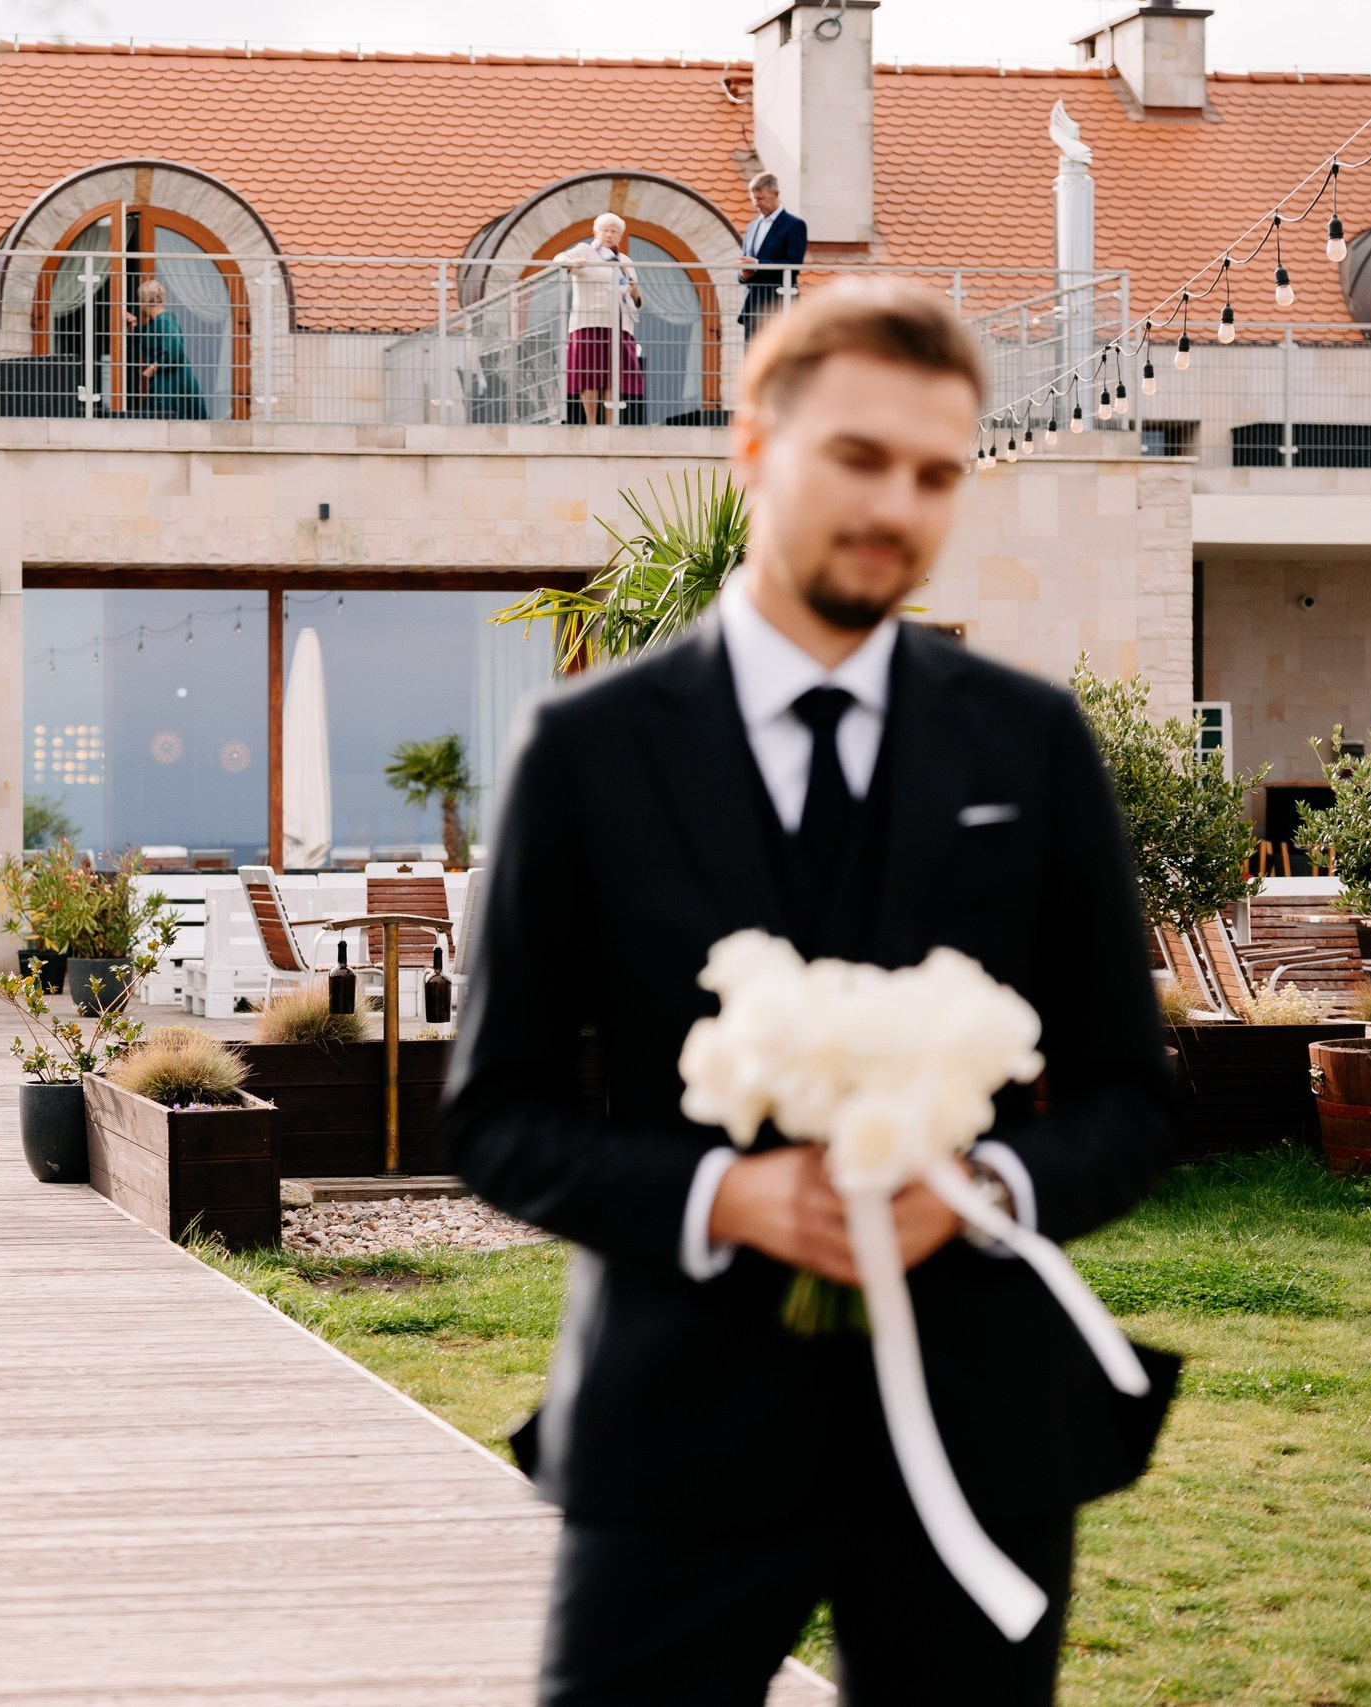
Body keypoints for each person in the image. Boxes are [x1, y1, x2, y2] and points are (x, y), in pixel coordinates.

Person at [445, 283, 1176, 1706]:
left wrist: (988, 1186)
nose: (898, 502)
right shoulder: (586, 750)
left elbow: (1130, 1099)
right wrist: (725, 1198)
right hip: (674, 1433)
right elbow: (496, 1113)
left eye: (936, 473)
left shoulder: (1029, 744)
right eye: (859, 456)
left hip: (973, 1428)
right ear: (756, 448)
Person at [556, 214, 641, 426]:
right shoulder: (586, 251)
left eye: (614, 231)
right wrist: (573, 262)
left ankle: (612, 423)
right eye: (605, 230)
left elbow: (637, 300)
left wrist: (636, 293)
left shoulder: (625, 261)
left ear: (620, 235)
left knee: (614, 375)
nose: (609, 235)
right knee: (590, 375)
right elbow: (558, 259)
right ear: (596, 232)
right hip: (589, 322)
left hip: (619, 324)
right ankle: (592, 423)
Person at [737, 171, 809, 344]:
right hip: (753, 307)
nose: (756, 204)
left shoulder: (794, 226)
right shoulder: (752, 227)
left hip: (779, 306)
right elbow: (745, 264)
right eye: (754, 199)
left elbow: (793, 264)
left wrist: (758, 264)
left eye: (761, 198)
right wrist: (743, 275)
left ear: (775, 194)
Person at [128, 275, 208, 421]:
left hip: (172, 379)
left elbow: (175, 348)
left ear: (144, 302)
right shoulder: (155, 323)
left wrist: (154, 367)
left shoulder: (164, 321)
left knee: (161, 418)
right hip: (167, 379)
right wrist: (132, 327)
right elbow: (144, 339)